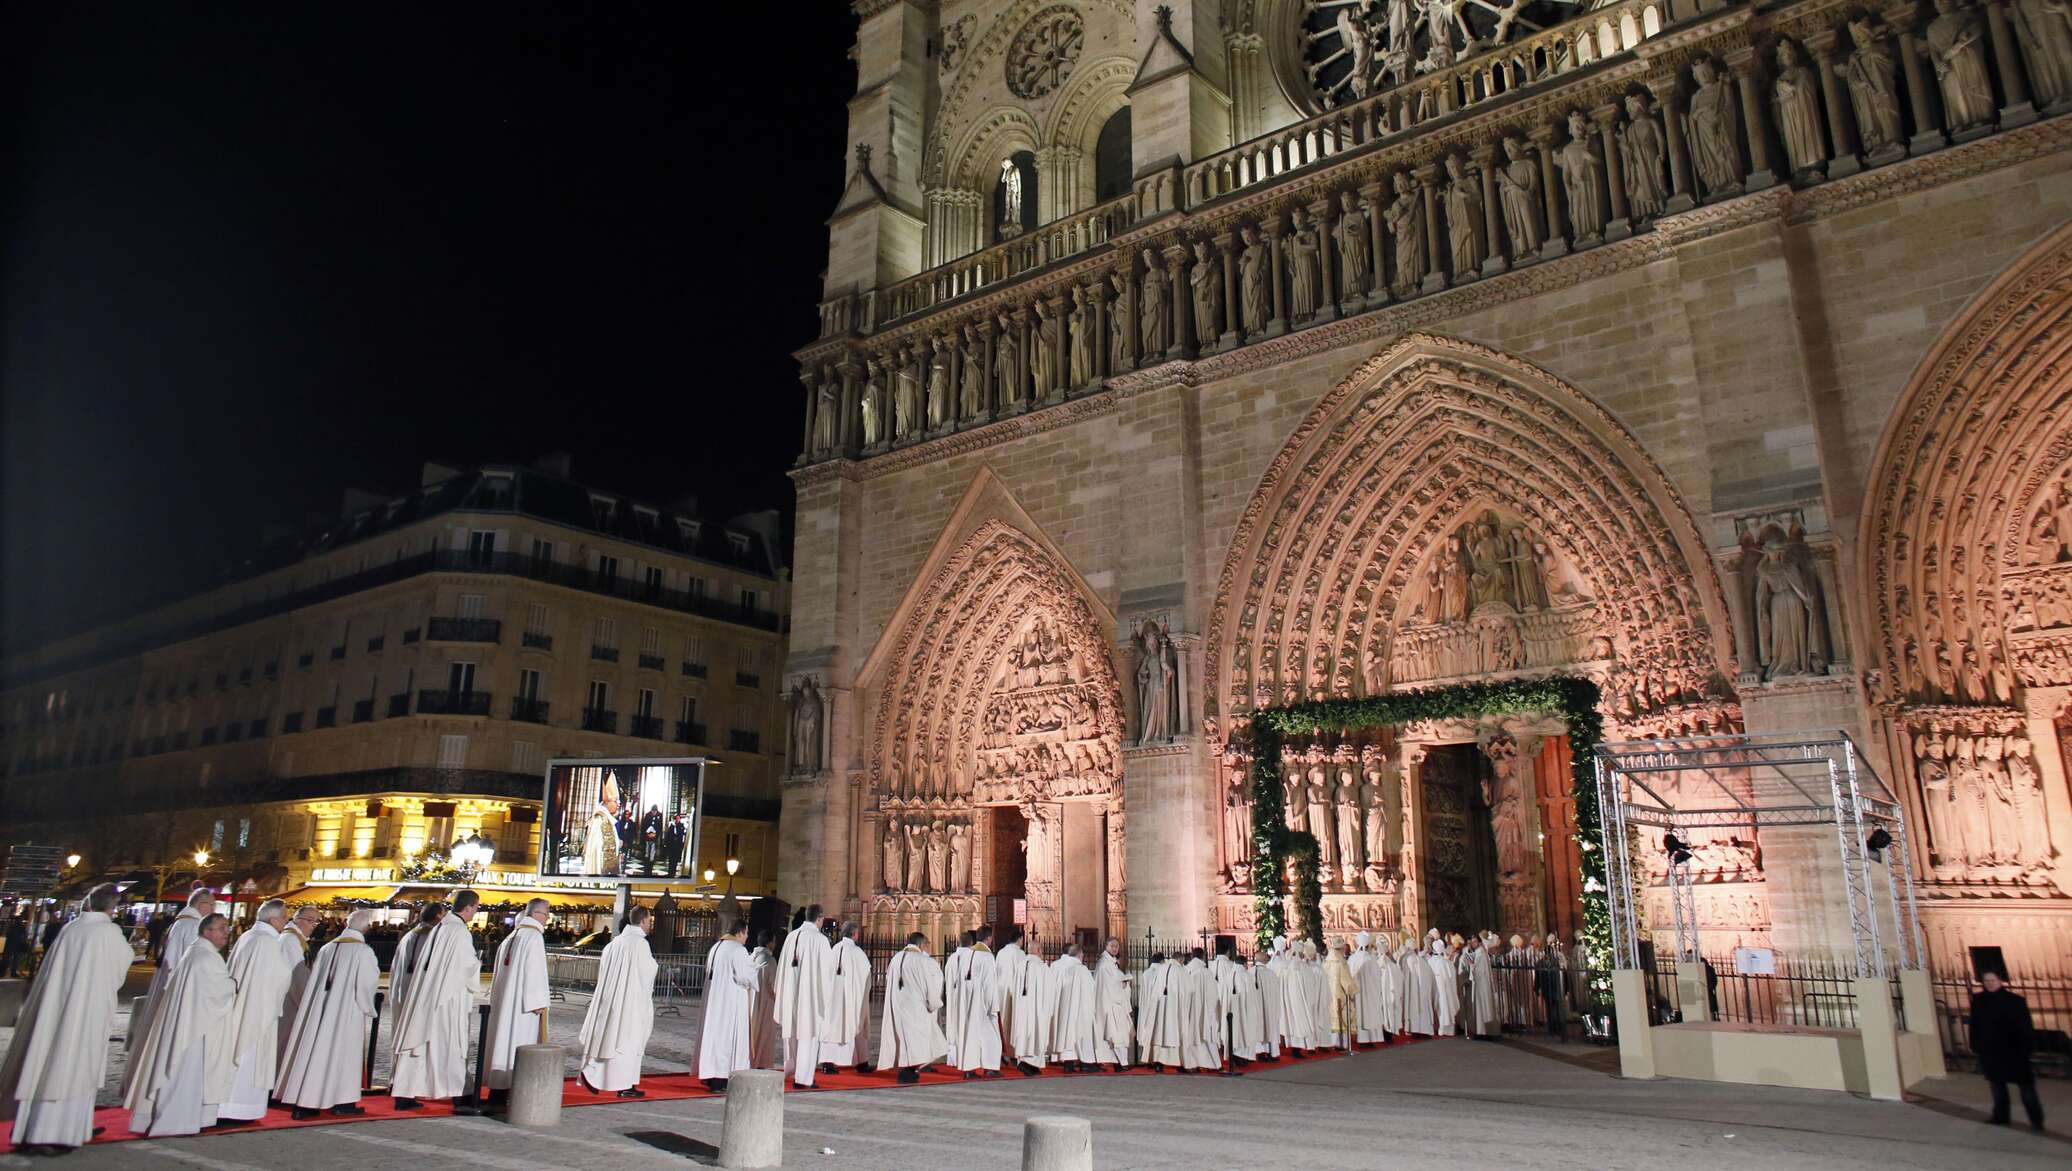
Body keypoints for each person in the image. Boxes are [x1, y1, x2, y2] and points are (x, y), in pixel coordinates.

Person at [0, 884, 134, 1154]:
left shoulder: (70, 929)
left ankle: (50, 1126)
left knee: (48, 1063)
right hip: (87, 1011)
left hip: (58, 1009)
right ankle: (59, 1130)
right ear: (112, 907)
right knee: (74, 1067)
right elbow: (120, 968)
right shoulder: (109, 932)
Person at [124, 912, 235, 1136]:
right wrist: (233, 984)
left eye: (227, 928)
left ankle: (178, 1119)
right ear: (207, 932)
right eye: (222, 928)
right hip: (193, 1027)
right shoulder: (204, 957)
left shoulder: (197, 952)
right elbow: (216, 991)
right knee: (183, 1074)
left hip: (189, 1022)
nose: (227, 933)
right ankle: (175, 1121)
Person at [275, 908, 380, 1120]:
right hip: (346, 1012)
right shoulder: (363, 951)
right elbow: (367, 984)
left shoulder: (327, 948)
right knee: (343, 1057)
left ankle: (306, 1101)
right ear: (367, 928)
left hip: (321, 1010)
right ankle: (343, 1101)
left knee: (316, 1052)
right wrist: (368, 1007)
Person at [391, 892, 482, 1113]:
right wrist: (477, 962)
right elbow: (465, 967)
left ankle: (405, 1093)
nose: (476, 912)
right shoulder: (458, 931)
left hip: (429, 992)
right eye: (476, 908)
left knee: (421, 1045)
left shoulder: (441, 927)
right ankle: (460, 1096)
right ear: (469, 907)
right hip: (446, 999)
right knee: (449, 1044)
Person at [221, 899, 296, 1122]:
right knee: (249, 1059)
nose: (286, 920)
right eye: (284, 916)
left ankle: (229, 1106)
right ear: (272, 919)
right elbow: (280, 978)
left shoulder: (249, 937)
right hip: (257, 1011)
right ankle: (239, 1109)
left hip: (245, 1006)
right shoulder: (267, 943)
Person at [125, 889, 214, 1066]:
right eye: (212, 904)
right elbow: (196, 964)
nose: (213, 909)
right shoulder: (193, 926)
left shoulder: (180, 923)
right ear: (202, 905)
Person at [579, 906, 658, 1097]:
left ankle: (594, 1074)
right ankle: (625, 1085)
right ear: (642, 921)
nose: (650, 924)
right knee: (626, 1042)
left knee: (607, 1039)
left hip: (611, 1000)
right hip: (630, 1002)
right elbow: (646, 972)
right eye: (649, 921)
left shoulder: (615, 943)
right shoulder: (639, 944)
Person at [484, 898, 551, 1106]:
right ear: (537, 914)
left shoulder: (513, 936)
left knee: (503, 1043)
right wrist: (539, 1001)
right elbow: (535, 971)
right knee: (518, 1044)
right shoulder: (533, 937)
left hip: (507, 1001)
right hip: (523, 1007)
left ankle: (498, 1091)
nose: (548, 918)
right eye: (546, 913)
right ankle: (509, 1093)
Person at [1971, 970, 2045, 1129]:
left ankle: (2036, 1120)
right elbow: (1975, 1025)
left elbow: (2026, 1027)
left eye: (1992, 980)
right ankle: (2001, 1115)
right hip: (1992, 1051)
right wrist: (1976, 1045)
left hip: (2015, 1050)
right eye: (1986, 980)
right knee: (1997, 1086)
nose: (1990, 983)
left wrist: (2028, 1047)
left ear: (2000, 981)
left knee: (2026, 1088)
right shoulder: (1979, 1000)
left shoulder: (2016, 1001)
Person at [774, 903, 834, 1087]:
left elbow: (781, 968)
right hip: (810, 998)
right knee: (808, 1035)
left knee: (792, 1034)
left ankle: (791, 1069)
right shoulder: (820, 940)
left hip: (791, 994)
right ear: (819, 918)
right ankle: (804, 1078)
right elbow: (827, 973)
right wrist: (827, 997)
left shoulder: (791, 937)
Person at [877, 932, 948, 1083]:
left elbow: (889, 979)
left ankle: (908, 1069)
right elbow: (930, 985)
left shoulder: (896, 958)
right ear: (921, 945)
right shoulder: (921, 960)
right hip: (916, 1007)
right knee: (916, 1040)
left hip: (898, 1005)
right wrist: (934, 1003)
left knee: (904, 1039)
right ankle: (908, 1072)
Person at [698, 920, 759, 1091]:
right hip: (730, 1001)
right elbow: (744, 976)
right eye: (746, 933)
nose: (747, 937)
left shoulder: (717, 947)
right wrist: (755, 970)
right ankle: (722, 1078)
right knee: (727, 1039)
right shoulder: (737, 949)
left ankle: (711, 1076)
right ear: (739, 933)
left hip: (715, 1000)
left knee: (715, 1038)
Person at [997, 926, 1051, 1076]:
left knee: (1018, 1028)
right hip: (1036, 1007)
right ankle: (1029, 1063)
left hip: (1015, 1001)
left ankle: (1015, 1057)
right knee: (1034, 1033)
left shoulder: (1008, 957)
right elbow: (1048, 991)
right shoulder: (1041, 967)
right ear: (1039, 951)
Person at [821, 922, 873, 1073]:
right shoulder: (857, 952)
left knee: (832, 1027)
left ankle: (829, 1062)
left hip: (832, 997)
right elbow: (866, 976)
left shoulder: (834, 949)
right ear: (855, 934)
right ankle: (861, 1063)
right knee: (856, 1023)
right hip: (852, 997)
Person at [952, 925, 1003, 1078]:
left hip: (966, 1001)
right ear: (989, 939)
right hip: (982, 1004)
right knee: (991, 1035)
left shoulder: (966, 954)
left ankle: (969, 1068)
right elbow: (989, 984)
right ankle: (990, 1067)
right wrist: (992, 1006)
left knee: (969, 1034)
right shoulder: (987, 957)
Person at [276, 905, 321, 1063]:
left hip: (291, 1001)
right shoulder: (290, 940)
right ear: (297, 919)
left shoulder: (297, 939)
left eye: (316, 922)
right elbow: (298, 977)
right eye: (310, 921)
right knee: (283, 1046)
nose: (313, 926)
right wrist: (310, 1005)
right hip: (288, 1002)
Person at [1209, 939, 1262, 1066]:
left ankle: (1232, 1053)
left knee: (1231, 1030)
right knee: (1244, 1029)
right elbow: (1252, 996)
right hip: (1243, 1010)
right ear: (1244, 964)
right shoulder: (1246, 976)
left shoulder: (1226, 974)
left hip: (1228, 1009)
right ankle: (1242, 1056)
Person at [1049, 943, 1097, 1072]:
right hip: (1080, 1008)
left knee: (1067, 1033)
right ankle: (1086, 1063)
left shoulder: (1062, 968)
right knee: (1082, 1034)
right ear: (1080, 955)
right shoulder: (1082, 970)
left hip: (1065, 1008)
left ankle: (1068, 1063)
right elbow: (1091, 989)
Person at [387, 904, 435, 1027]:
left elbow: (395, 965)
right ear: (437, 916)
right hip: (423, 988)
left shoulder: (408, 937)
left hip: (404, 985)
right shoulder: (434, 937)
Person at [1092, 937, 1134, 1069]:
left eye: (1117, 946)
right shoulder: (1105, 964)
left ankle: (1118, 1062)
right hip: (1111, 1003)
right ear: (1106, 946)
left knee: (1115, 1032)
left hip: (1112, 1002)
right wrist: (1124, 982)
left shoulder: (1110, 963)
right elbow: (1111, 984)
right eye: (1112, 946)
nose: (1115, 948)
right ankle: (1121, 1063)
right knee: (1116, 1033)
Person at [747, 928, 780, 1071]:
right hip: (766, 1002)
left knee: (751, 1031)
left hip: (750, 1001)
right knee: (764, 1033)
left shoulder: (750, 958)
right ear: (769, 943)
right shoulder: (770, 961)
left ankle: (749, 1059)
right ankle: (760, 1061)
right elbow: (774, 985)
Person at [943, 930, 975, 1068]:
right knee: (966, 1026)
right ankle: (967, 1059)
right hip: (967, 1000)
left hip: (952, 999)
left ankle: (953, 1058)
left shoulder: (951, 959)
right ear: (972, 943)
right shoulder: (973, 957)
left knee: (953, 1027)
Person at [1324, 940, 1359, 1052]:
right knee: (1342, 1017)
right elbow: (1346, 981)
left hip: (1329, 995)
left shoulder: (1326, 962)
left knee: (1333, 1018)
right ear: (1341, 949)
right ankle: (1342, 1044)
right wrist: (1354, 990)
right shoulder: (1341, 963)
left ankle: (1333, 1042)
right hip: (1340, 995)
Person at [1465, 934, 1499, 1040]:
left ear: (1479, 942)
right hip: (1480, 985)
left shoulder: (1480, 953)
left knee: (1482, 1007)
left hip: (1481, 985)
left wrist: (1471, 964)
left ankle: (1483, 1032)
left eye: (1475, 941)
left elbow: (1477, 970)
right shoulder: (1480, 952)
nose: (1473, 943)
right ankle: (1481, 1031)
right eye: (1472, 941)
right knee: (1481, 1007)